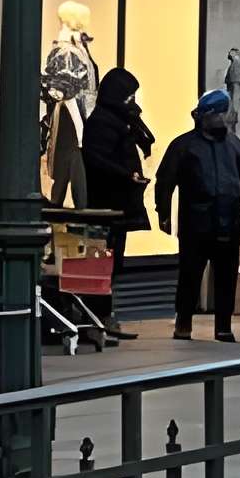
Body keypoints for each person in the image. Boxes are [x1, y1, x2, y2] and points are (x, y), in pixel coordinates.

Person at [156, 88, 240, 342]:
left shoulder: (234, 144)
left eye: (222, 115)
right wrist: (163, 212)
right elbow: (165, 181)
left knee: (226, 276)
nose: (222, 119)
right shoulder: (184, 145)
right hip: (196, 221)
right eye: (218, 114)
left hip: (229, 220)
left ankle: (224, 326)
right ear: (207, 115)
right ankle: (183, 322)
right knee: (190, 274)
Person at [80, 68, 157, 340]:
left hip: (118, 205)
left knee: (111, 263)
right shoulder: (102, 122)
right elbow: (95, 158)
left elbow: (144, 140)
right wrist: (127, 174)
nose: (132, 101)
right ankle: (99, 317)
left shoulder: (119, 120)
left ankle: (102, 316)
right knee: (104, 262)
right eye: (128, 96)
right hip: (106, 205)